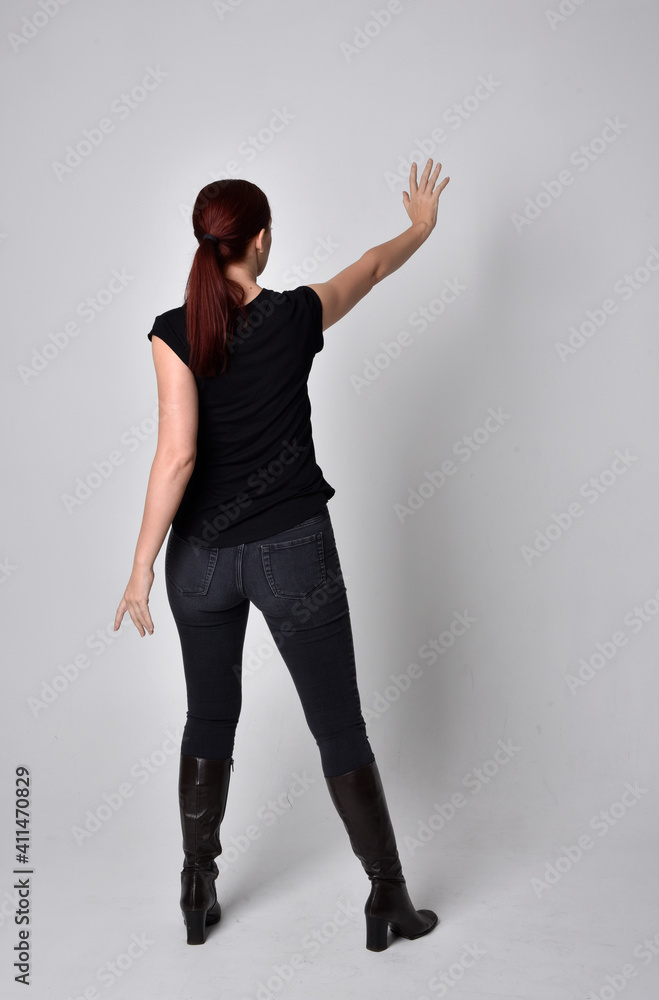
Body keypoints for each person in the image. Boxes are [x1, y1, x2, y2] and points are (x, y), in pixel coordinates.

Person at [113, 159, 450, 950]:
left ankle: (198, 889)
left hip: (198, 562)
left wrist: (140, 568)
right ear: (259, 242)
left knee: (208, 716)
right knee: (339, 726)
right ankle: (388, 900)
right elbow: (367, 270)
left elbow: (176, 458)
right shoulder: (297, 317)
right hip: (292, 550)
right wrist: (422, 227)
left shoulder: (172, 332)